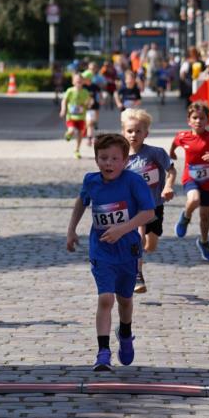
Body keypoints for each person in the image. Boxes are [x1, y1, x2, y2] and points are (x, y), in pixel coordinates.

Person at [66, 132, 155, 372]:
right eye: (103, 158)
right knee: (106, 298)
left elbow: (148, 213)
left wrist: (122, 229)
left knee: (125, 300)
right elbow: (81, 201)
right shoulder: (91, 181)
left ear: (125, 161)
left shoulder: (133, 182)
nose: (109, 163)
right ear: (96, 159)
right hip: (101, 250)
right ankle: (103, 352)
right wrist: (71, 229)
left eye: (115, 159)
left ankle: (125, 333)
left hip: (128, 249)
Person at [121, 108, 176, 294]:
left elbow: (171, 171)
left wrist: (168, 186)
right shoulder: (121, 158)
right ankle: (137, 274)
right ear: (123, 132)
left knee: (150, 246)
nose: (133, 135)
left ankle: (138, 257)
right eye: (129, 131)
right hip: (134, 209)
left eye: (138, 131)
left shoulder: (155, 153)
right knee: (138, 237)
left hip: (155, 205)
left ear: (146, 133)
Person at [170, 101, 209, 262]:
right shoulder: (183, 136)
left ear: (208, 121)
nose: (198, 121)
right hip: (191, 178)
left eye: (202, 118)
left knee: (205, 216)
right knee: (194, 199)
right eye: (195, 118)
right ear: (189, 121)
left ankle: (203, 241)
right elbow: (175, 143)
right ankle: (186, 216)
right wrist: (172, 153)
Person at [60, 71, 91, 158]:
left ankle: (77, 150)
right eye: (77, 80)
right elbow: (64, 101)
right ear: (73, 82)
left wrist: (87, 104)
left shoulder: (85, 92)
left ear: (83, 82)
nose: (79, 82)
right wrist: (63, 109)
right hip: (71, 117)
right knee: (72, 130)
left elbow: (88, 102)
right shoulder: (70, 91)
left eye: (80, 81)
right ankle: (68, 134)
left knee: (80, 134)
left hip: (81, 117)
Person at [81, 69, 102, 146]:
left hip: (94, 106)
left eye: (84, 78)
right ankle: (90, 137)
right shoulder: (82, 87)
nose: (82, 80)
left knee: (91, 123)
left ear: (88, 79)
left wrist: (101, 99)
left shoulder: (94, 86)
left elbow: (100, 93)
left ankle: (90, 137)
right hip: (85, 107)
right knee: (89, 123)